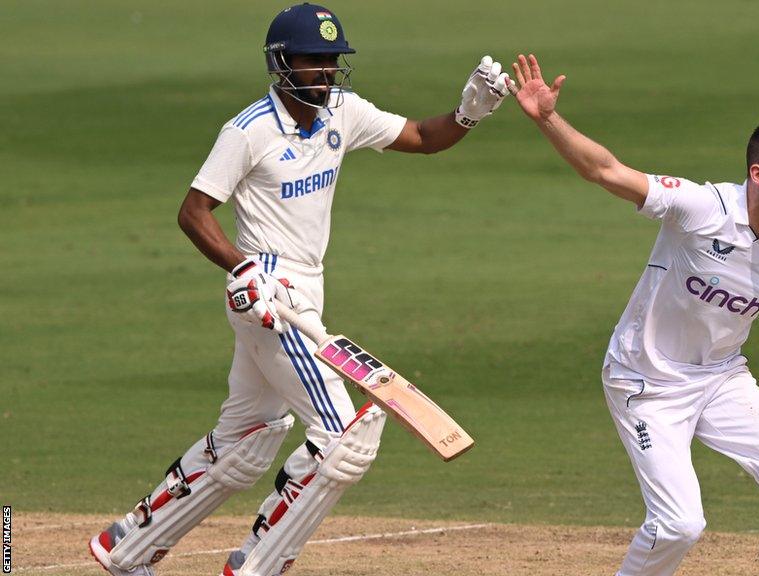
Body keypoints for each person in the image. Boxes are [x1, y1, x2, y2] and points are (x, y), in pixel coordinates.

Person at [88, 5, 511, 576]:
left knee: (249, 437)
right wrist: (243, 270)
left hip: (305, 287)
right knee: (344, 439)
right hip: (267, 295)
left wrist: (468, 113)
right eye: (315, 60)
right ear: (282, 62)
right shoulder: (249, 130)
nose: (328, 72)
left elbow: (419, 137)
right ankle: (258, 566)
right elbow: (194, 213)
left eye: (333, 61)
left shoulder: (343, 111)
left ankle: (126, 547)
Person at [507, 54, 759, 576]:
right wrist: (548, 118)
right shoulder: (702, 207)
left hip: (722, 376)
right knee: (681, 524)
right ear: (758, 173)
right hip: (646, 379)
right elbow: (606, 171)